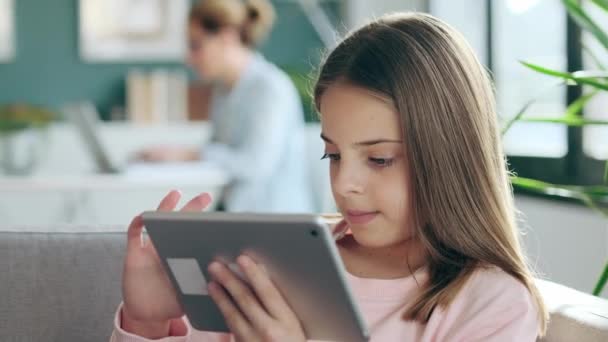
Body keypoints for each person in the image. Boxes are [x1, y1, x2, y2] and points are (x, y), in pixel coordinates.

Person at [111, 12, 549, 341]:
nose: (343, 185)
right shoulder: (279, 263)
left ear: (450, 155)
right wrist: (146, 323)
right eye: (333, 155)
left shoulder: (492, 303)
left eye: (379, 159)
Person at [138, 0, 314, 213]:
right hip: (237, 214)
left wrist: (188, 155)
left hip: (275, 220)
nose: (189, 58)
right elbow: (217, 151)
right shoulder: (223, 90)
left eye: (196, 45)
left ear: (227, 37)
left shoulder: (269, 88)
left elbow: (254, 165)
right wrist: (172, 155)